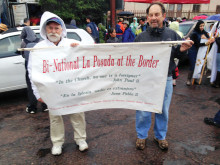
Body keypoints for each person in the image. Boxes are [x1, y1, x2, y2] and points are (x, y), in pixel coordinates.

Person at [134, 2, 193, 150]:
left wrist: (183, 50)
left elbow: (178, 55)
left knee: (163, 110)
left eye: (157, 15)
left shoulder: (172, 35)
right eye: (151, 15)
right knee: (143, 110)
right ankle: (142, 136)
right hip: (145, 80)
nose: (154, 18)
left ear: (163, 16)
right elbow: (133, 58)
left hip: (165, 78)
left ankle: (160, 136)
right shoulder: (141, 37)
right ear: (147, 18)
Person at [28, 11, 88, 155]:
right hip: (52, 91)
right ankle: (57, 143)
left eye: (57, 28)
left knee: (77, 114)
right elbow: (32, 73)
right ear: (45, 29)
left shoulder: (72, 44)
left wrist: (79, 49)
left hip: (72, 88)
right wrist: (38, 93)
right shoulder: (38, 49)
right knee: (55, 117)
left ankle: (81, 139)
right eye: (50, 28)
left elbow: (86, 61)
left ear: (62, 30)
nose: (53, 31)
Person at [20, 26, 49, 114]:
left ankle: (32, 108)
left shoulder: (24, 42)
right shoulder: (40, 41)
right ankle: (45, 106)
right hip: (40, 65)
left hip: (30, 64)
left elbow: (23, 55)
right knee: (42, 84)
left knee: (31, 85)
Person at [186, 20, 214, 86]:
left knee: (199, 64)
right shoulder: (194, 33)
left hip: (200, 51)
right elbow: (196, 44)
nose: (202, 27)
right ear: (198, 26)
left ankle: (195, 79)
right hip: (193, 51)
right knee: (193, 65)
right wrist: (206, 43)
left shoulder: (204, 32)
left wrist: (209, 38)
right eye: (200, 26)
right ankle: (189, 79)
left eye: (203, 26)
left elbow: (210, 37)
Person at [169, 21, 184, 86]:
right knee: (175, 67)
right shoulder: (180, 33)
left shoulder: (169, 33)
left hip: (170, 52)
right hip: (177, 52)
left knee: (170, 67)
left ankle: (171, 79)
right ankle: (174, 80)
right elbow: (182, 41)